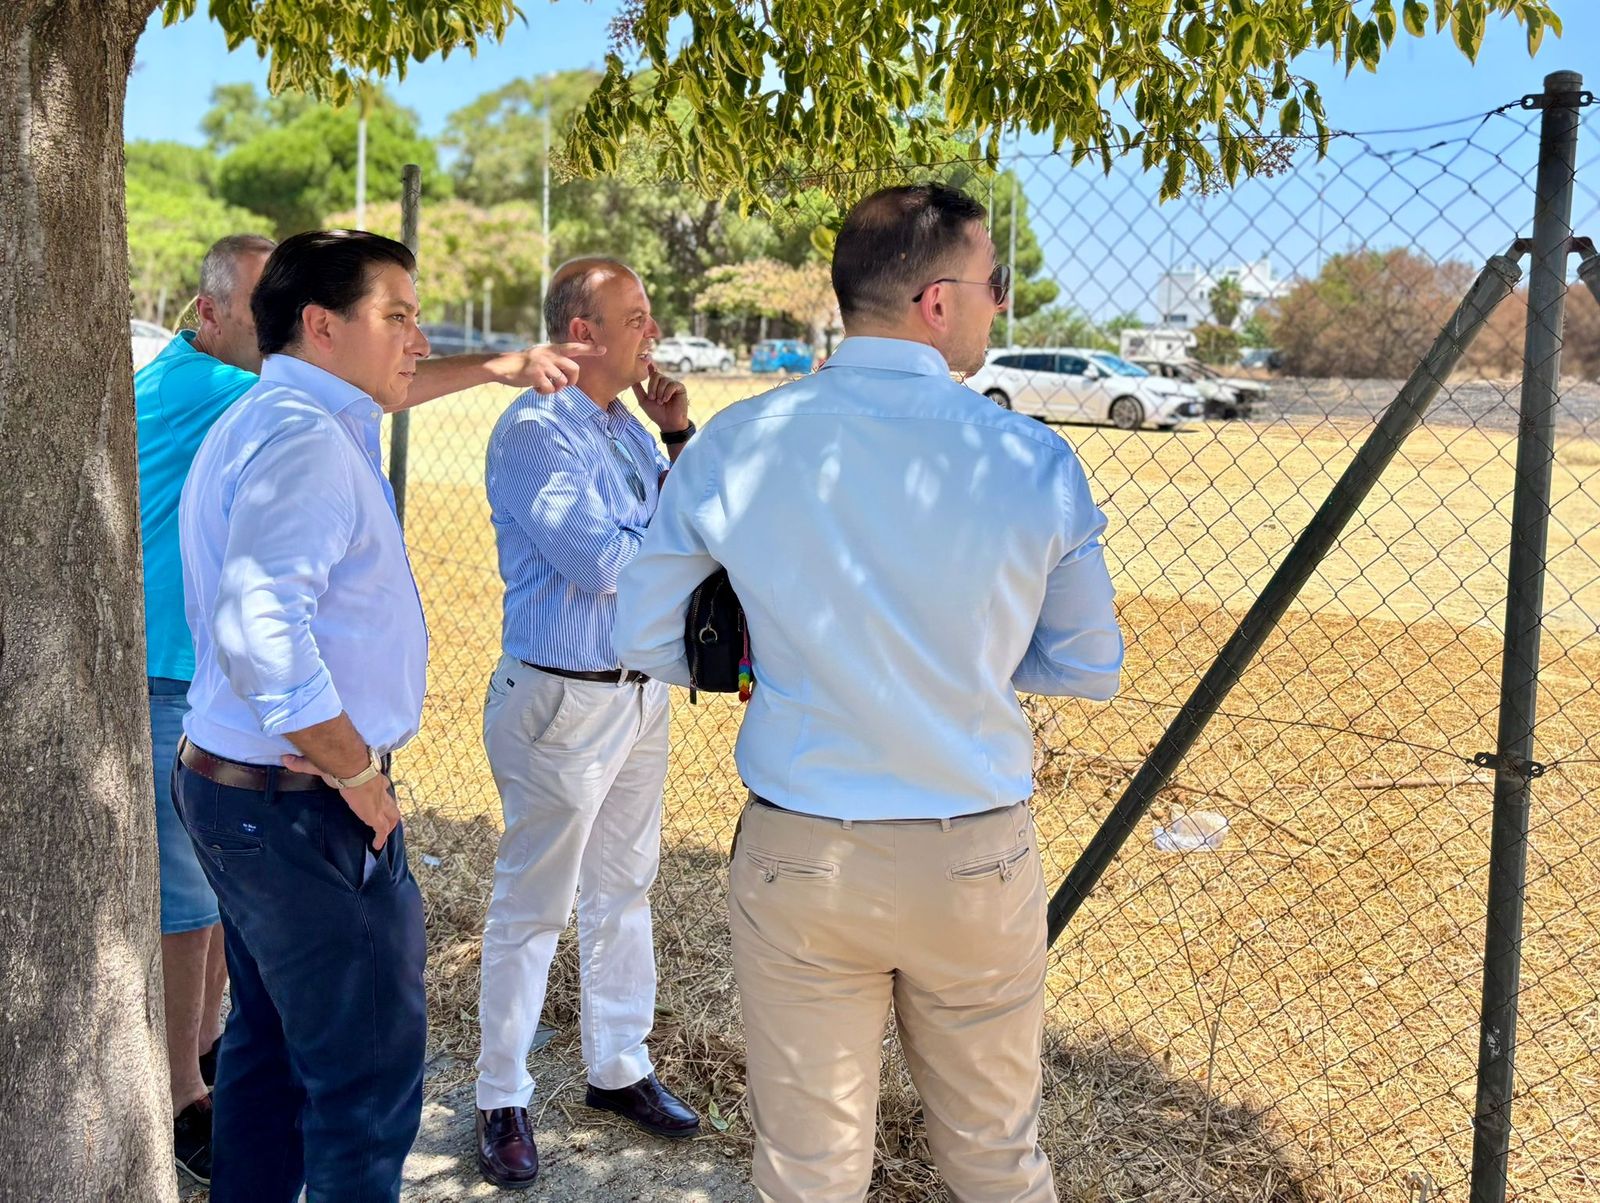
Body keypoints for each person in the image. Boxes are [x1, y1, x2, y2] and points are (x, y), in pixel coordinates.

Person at [611, 184, 1125, 1202]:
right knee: (996, 1155)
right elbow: (1085, 663)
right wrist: (959, 658)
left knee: (807, 1167)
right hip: (972, 854)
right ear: (938, 302)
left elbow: (647, 634)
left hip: (806, 851)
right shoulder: (1028, 455)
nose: (999, 306)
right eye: (994, 285)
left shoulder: (739, 441)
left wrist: (785, 660)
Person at [135, 233, 603, 1185]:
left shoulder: (294, 417)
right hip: (301, 799)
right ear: (320, 326)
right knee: (364, 1085)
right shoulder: (301, 438)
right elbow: (265, 626)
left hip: (257, 788)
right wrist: (356, 774)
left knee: (265, 1057)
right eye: (397, 315)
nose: (419, 339)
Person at [473, 257, 701, 1190]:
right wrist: (678, 538)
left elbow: (696, 528)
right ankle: (499, 1094)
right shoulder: (536, 429)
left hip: (639, 691)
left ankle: (618, 1065)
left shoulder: (629, 431)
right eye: (636, 317)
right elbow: (607, 563)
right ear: (582, 332)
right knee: (536, 904)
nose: (653, 332)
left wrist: (679, 436)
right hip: (565, 697)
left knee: (624, 888)